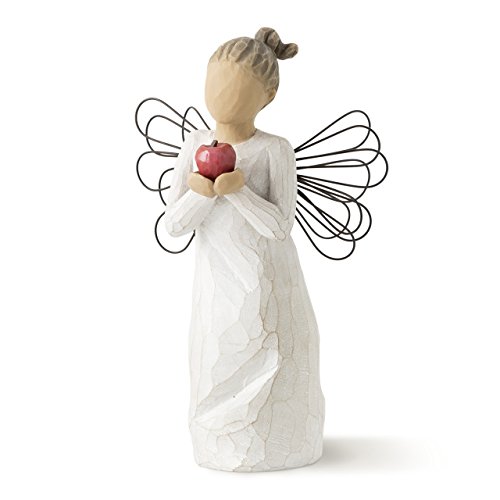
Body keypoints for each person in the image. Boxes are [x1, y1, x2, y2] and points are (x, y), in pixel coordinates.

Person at [163, 27, 325, 472]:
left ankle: (285, 441)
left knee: (272, 364)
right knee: (216, 364)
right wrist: (200, 194)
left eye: (235, 87)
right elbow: (172, 225)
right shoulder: (194, 145)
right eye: (215, 82)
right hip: (217, 289)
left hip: (269, 287)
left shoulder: (275, 150)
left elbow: (280, 227)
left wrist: (238, 192)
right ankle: (219, 444)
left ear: (266, 97)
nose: (221, 95)